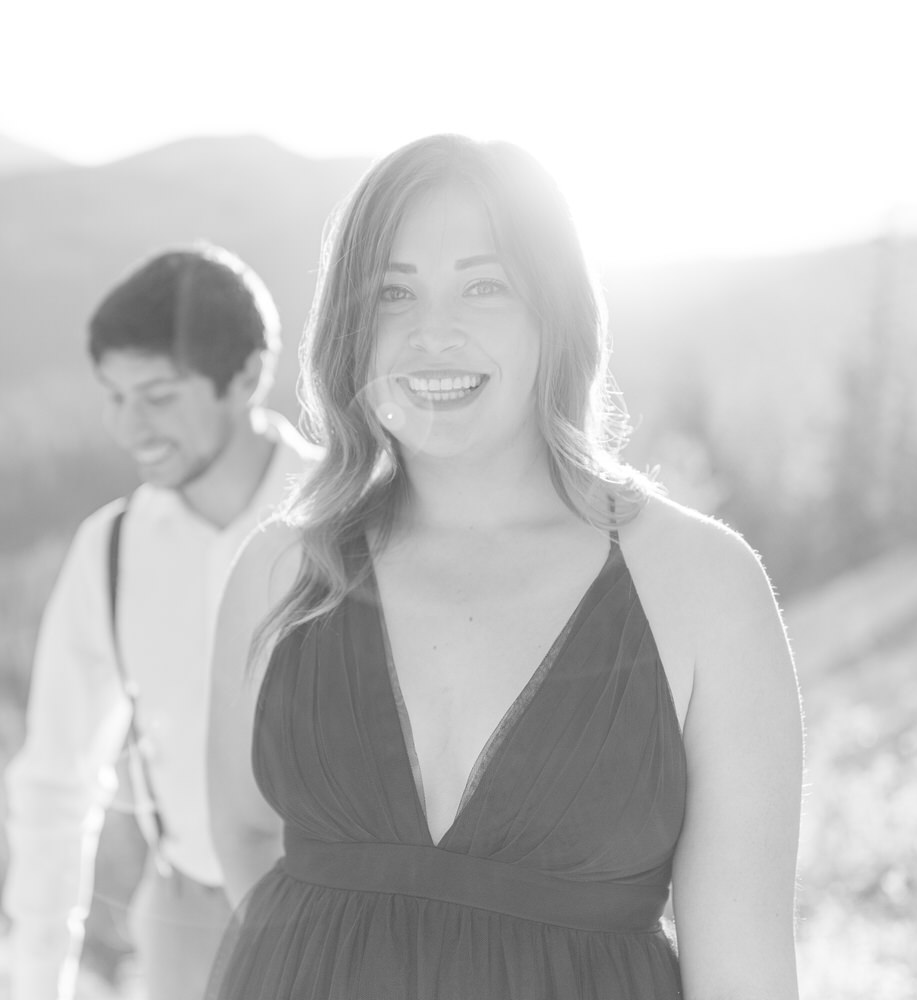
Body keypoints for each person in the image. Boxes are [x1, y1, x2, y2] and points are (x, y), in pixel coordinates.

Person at [207, 135, 804, 999]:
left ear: (555, 312)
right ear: (347, 328)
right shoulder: (280, 569)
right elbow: (247, 842)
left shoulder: (705, 588)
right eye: (391, 292)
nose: (430, 334)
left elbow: (744, 970)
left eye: (484, 286)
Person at [3, 244, 320, 1000]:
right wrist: (38, 981)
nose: (128, 426)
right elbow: (56, 780)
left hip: (342, 916)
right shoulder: (108, 549)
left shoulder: (356, 521)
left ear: (246, 376)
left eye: (158, 394)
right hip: (185, 923)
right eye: (112, 395)